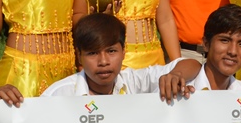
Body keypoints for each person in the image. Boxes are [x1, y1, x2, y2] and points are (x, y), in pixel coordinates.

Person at [41, 13, 199, 99]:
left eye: (111, 51)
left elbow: (193, 64)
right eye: (93, 53)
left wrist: (175, 76)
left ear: (123, 52)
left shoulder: (133, 82)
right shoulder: (57, 95)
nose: (103, 61)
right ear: (79, 55)